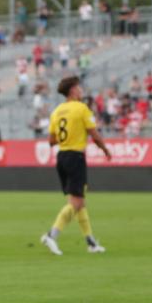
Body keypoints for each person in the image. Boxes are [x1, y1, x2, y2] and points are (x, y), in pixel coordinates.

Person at [40, 77, 112, 256]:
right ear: (72, 90)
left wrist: (68, 136)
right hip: (75, 158)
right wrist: (105, 149)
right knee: (76, 202)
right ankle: (51, 235)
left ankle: (91, 242)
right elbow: (94, 135)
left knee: (79, 202)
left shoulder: (57, 111)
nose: (81, 91)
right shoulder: (81, 108)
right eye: (78, 88)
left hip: (62, 158)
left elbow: (51, 141)